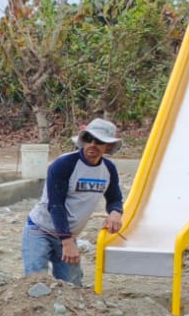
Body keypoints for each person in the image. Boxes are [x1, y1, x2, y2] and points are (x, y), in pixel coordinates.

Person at [23, 118, 124, 285]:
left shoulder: (108, 169)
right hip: (41, 229)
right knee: (35, 282)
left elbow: (114, 198)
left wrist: (115, 213)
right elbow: (56, 205)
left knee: (72, 286)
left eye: (99, 141)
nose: (92, 145)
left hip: (68, 234)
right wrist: (67, 242)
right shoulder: (64, 164)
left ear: (109, 146)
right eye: (88, 139)